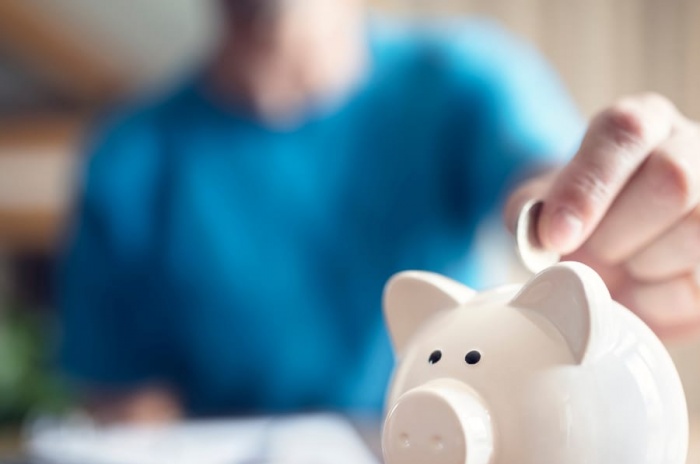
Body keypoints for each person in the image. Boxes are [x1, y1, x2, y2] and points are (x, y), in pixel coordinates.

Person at [58, 0, 700, 423]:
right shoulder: (127, 157)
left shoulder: (463, 77)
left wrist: (599, 212)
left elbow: (541, 178)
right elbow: (127, 407)